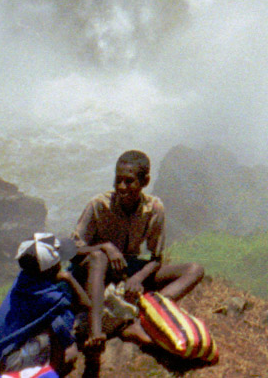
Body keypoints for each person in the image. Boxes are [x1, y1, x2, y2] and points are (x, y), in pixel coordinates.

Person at [72, 150, 204, 357]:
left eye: (129, 181)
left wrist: (138, 277)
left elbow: (156, 258)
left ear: (145, 181)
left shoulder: (153, 209)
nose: (121, 187)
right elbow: (73, 249)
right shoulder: (98, 205)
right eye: (118, 180)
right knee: (98, 258)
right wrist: (105, 247)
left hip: (127, 270)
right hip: (94, 272)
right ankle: (95, 332)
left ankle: (151, 311)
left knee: (194, 270)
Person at [0, 233, 91, 377]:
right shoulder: (50, 298)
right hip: (9, 361)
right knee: (65, 340)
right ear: (52, 268)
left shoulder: (22, 281)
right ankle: (49, 374)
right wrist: (69, 278)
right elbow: (86, 305)